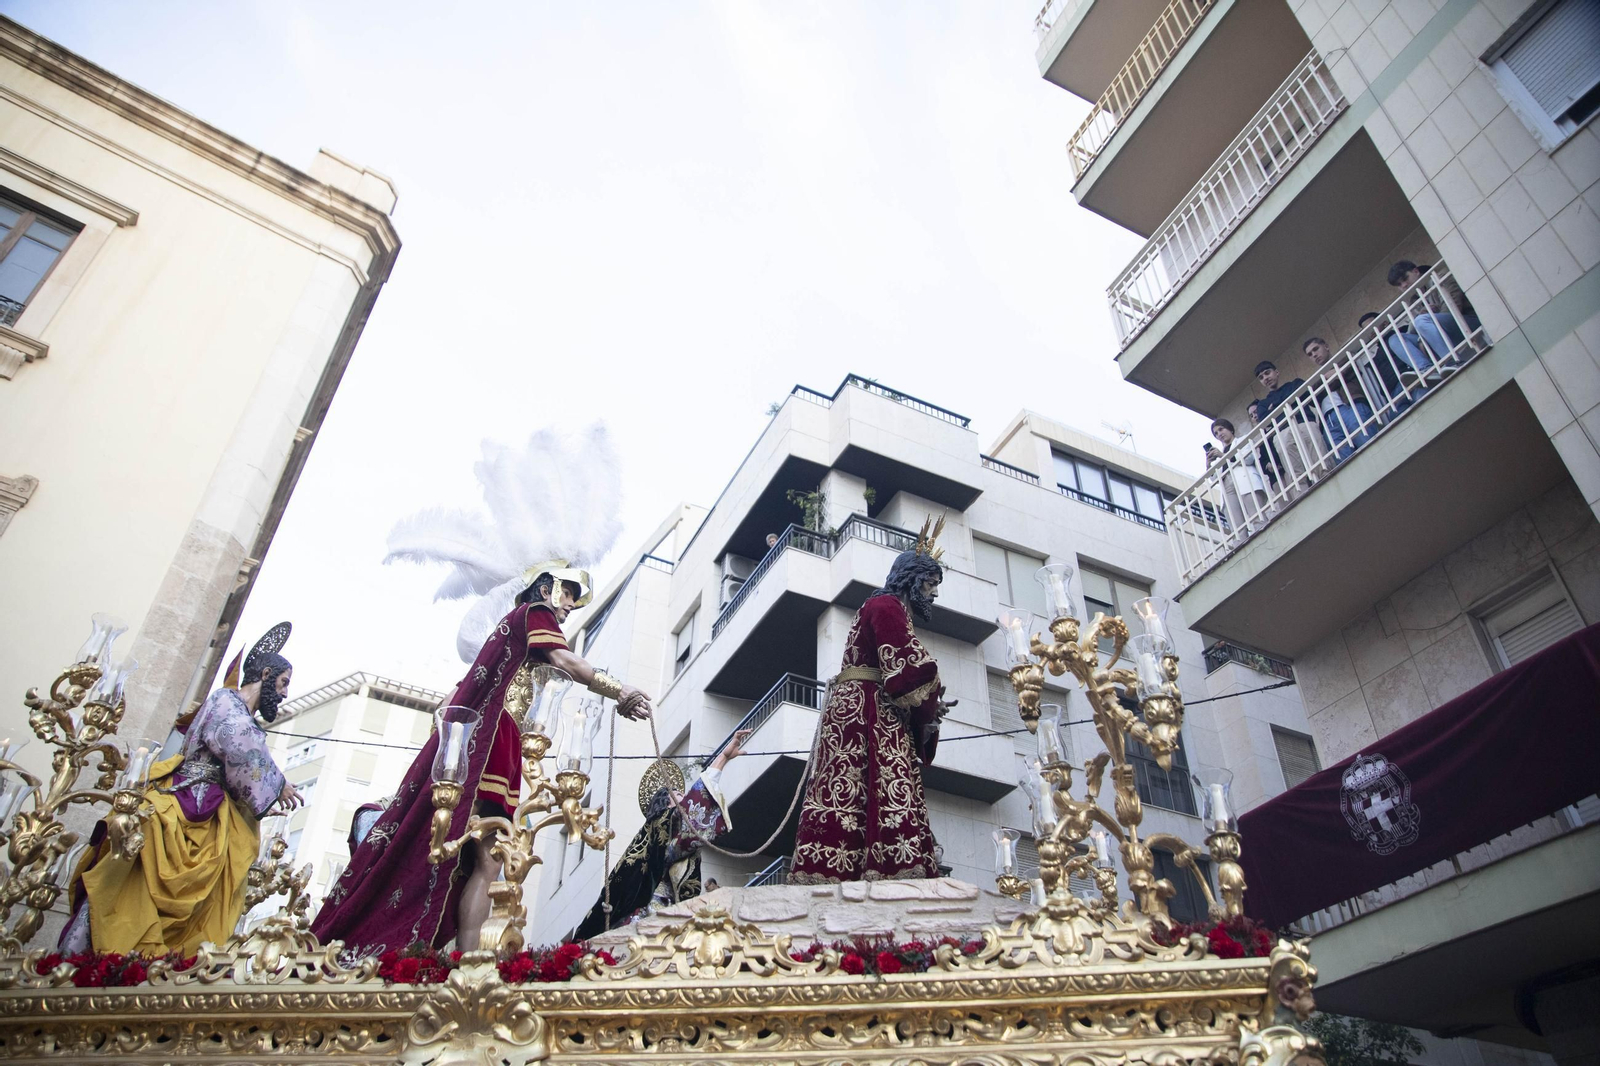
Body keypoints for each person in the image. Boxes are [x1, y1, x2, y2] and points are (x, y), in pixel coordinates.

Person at [312, 567, 654, 956]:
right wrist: (618, 689)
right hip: (492, 739)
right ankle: (459, 960)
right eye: (568, 593)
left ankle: (466, 961)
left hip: (497, 740)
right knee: (474, 852)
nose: (570, 606)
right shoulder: (534, 614)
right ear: (545, 587)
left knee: (489, 864)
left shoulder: (510, 635)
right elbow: (563, 660)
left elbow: (453, 700)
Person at [60, 624, 305, 956]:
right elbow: (236, 741)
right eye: (284, 682)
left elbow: (242, 767)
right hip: (183, 799)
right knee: (139, 857)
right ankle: (101, 953)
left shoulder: (245, 716)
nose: (286, 693)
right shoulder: (225, 700)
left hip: (217, 810)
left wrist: (260, 798)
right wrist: (277, 785)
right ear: (265, 673)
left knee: (212, 891)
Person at [790, 517, 951, 884]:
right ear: (911, 580)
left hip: (864, 708)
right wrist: (930, 692)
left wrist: (928, 706)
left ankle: (850, 864)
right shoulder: (887, 606)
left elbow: (901, 676)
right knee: (867, 784)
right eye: (930, 584)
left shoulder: (886, 607)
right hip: (867, 712)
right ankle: (877, 867)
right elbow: (908, 672)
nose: (934, 594)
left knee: (856, 789)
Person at [573, 728, 752, 938]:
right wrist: (722, 758)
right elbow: (693, 806)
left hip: (673, 904)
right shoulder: (662, 824)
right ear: (666, 803)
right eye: (678, 795)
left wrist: (725, 758)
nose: (684, 797)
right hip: (652, 906)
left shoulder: (669, 828)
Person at [1253, 361, 1327, 496]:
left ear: (1277, 372)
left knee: (1321, 461)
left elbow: (1306, 394)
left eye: (1267, 373)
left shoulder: (1295, 384)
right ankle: (1304, 499)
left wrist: (1275, 407)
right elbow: (1265, 420)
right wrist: (1287, 401)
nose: (1265, 378)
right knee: (1296, 473)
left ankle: (1330, 485)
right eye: (1261, 377)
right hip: (1282, 433)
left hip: (1304, 423)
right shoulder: (1262, 404)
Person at [1387, 260, 1479, 359]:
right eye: (1399, 285)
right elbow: (1414, 331)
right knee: (1395, 339)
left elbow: (1453, 307)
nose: (1404, 285)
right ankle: (1425, 369)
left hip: (1467, 322)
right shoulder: (1413, 300)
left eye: (1405, 278)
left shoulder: (1438, 277)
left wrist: (1429, 317)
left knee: (1422, 320)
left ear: (1416, 272)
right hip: (1441, 333)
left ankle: (1452, 360)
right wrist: (1421, 320)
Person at [1302, 338, 1374, 462]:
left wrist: (1328, 380)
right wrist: (1327, 377)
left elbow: (1343, 372)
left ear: (1326, 346)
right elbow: (1311, 397)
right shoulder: (1316, 379)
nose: (1314, 354)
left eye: (1316, 349)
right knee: (1344, 461)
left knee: (1369, 445)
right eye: (1310, 354)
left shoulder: (1343, 358)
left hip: (1350, 406)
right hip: (1329, 420)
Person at [1357, 310, 1432, 419]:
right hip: (1395, 394)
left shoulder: (1402, 333)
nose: (1370, 332)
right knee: (1399, 421)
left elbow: (1421, 344)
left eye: (1372, 326)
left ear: (1385, 323)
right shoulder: (1375, 358)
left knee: (1425, 407)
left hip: (1413, 378)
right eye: (1366, 330)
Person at [1208, 418, 1270, 532]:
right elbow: (1213, 478)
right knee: (1237, 528)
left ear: (1230, 429)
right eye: (1216, 433)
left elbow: (1248, 459)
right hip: (1228, 488)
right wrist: (1208, 464)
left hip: (1246, 481)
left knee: (1257, 516)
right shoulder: (1218, 454)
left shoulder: (1243, 440)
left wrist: (1223, 456)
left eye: (1221, 429)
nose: (1219, 434)